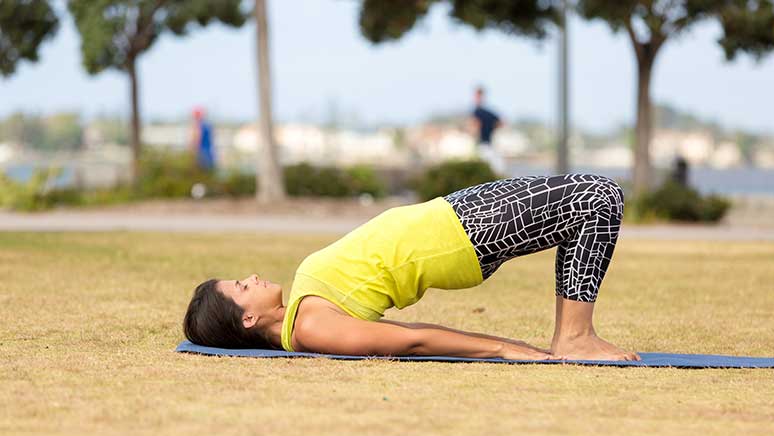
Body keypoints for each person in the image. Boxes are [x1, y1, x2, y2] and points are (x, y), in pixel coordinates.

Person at [183, 173, 638, 361]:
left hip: (453, 214)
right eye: (243, 286)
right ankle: (575, 337)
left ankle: (573, 334)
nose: (254, 278)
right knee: (596, 197)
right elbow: (410, 338)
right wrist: (503, 349)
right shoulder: (313, 330)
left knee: (582, 212)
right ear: (247, 318)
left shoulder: (303, 308)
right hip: (462, 233)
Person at [471, 86, 505, 174]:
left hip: (485, 145)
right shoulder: (482, 112)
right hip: (484, 145)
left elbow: (475, 127)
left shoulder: (482, 112)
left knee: (495, 167)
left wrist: (489, 129)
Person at [191, 106, 216, 171]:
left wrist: (192, 151)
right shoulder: (208, 125)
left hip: (201, 154)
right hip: (209, 153)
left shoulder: (199, 125)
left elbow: (196, 140)